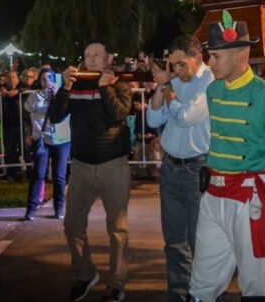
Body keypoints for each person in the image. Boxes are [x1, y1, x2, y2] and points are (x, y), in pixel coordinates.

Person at [188, 10, 265, 302]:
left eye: (215, 57)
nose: (210, 63)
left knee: (253, 279)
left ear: (239, 56)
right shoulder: (212, 91)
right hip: (213, 193)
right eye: (209, 56)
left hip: (251, 197)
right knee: (203, 274)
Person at [48, 42, 133, 302]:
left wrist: (105, 87)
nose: (92, 59)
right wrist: (65, 88)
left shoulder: (119, 82)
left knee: (117, 229)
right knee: (72, 224)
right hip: (82, 165)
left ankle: (116, 282)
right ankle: (85, 274)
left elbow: (119, 114)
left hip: (113, 164)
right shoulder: (75, 84)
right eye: (87, 55)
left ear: (108, 58)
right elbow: (54, 116)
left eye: (98, 55)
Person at [146, 35, 214, 302]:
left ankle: (205, 295)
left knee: (201, 242)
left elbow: (185, 117)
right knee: (174, 241)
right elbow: (153, 118)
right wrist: (161, 87)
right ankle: (179, 295)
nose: (176, 70)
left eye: (181, 65)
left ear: (198, 58)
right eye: (172, 65)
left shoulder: (209, 81)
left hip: (198, 169)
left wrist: (167, 88)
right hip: (171, 168)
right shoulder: (172, 81)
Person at [23, 68, 71, 220]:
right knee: (38, 174)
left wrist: (57, 95)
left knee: (59, 176)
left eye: (50, 78)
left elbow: (65, 110)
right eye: (43, 79)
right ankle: (31, 209)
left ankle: (59, 208)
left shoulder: (62, 95)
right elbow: (29, 108)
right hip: (42, 140)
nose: (47, 82)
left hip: (61, 140)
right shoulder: (35, 96)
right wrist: (44, 97)